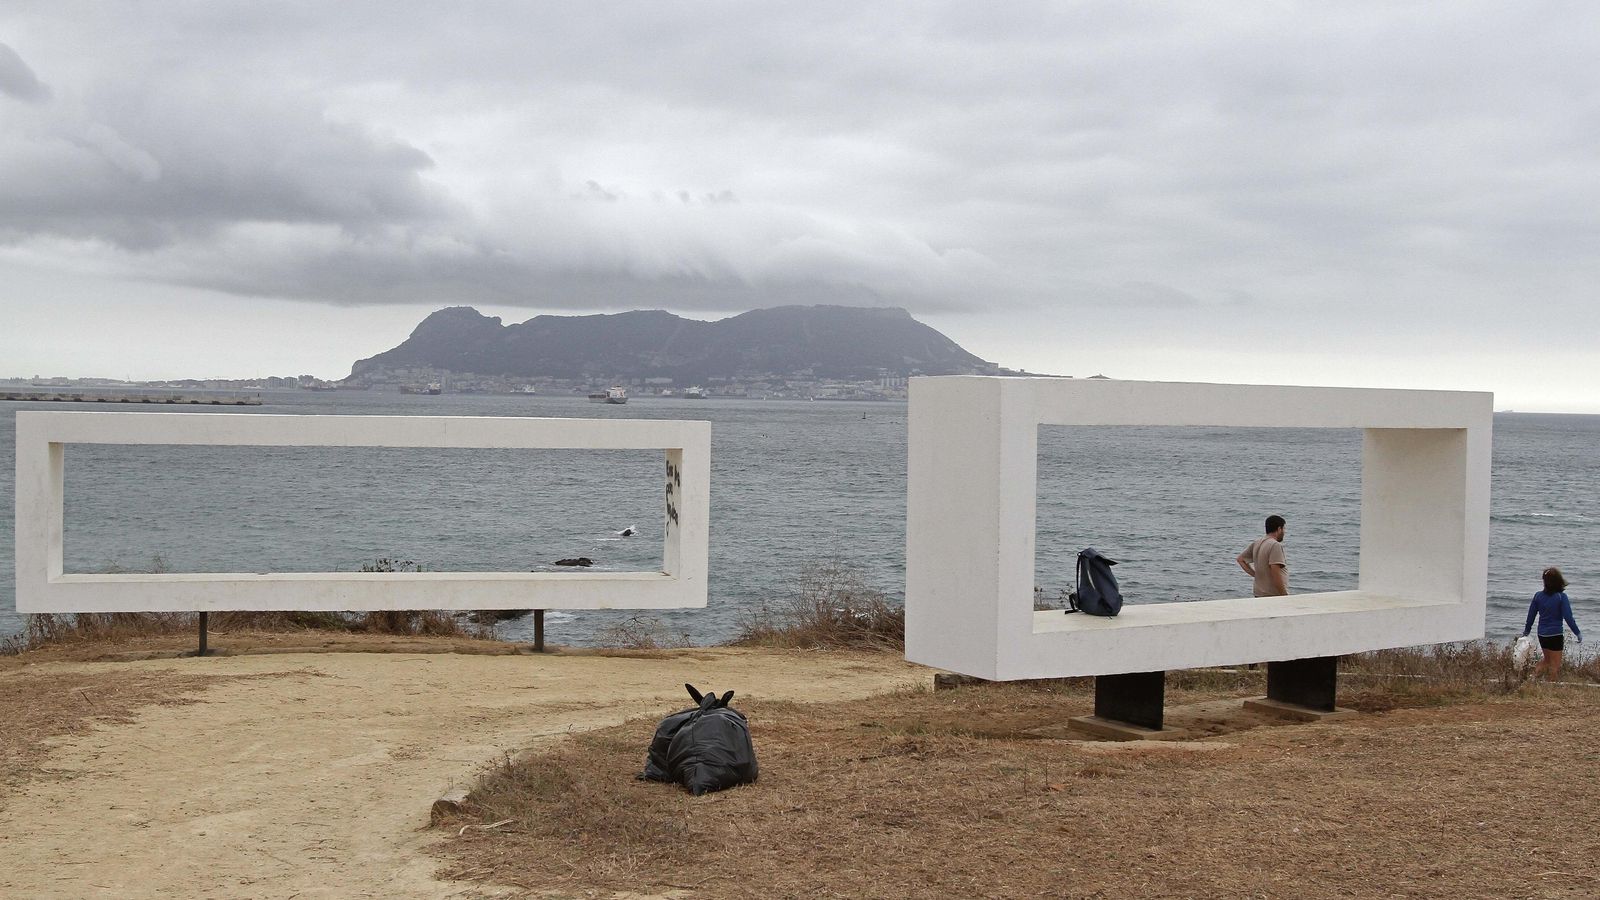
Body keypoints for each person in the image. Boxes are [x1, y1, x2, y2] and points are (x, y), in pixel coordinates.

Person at [1523, 567, 1581, 680]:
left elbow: (1531, 615)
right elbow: (1568, 617)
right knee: (1555, 665)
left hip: (1542, 634)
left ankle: (1532, 678)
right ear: (1558, 580)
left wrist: (1527, 630)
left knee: (1547, 660)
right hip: (1555, 634)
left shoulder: (1538, 596)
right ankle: (1552, 686)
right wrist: (1577, 632)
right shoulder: (1561, 597)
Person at [1237, 515, 1288, 597]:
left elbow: (1240, 559)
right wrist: (1284, 595)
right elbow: (1275, 571)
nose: (1284, 532)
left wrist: (1256, 575)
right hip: (1272, 594)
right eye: (1284, 529)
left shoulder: (1257, 542)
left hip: (1258, 592)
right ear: (1279, 529)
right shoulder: (1275, 545)